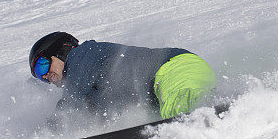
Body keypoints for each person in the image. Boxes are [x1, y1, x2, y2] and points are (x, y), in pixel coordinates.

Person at [28, 32, 217, 121]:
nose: (46, 77)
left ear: (61, 50)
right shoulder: (90, 81)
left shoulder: (82, 56)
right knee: (187, 115)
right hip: (180, 72)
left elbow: (67, 110)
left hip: (174, 70)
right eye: (39, 76)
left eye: (42, 66)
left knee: (187, 120)